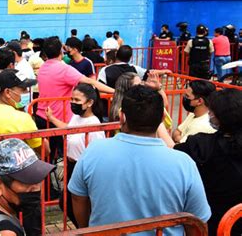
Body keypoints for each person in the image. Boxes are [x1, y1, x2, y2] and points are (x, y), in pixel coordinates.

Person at [68, 85, 211, 234]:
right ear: (162, 118)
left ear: (122, 117)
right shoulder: (183, 163)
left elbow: (78, 198)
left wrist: (89, 230)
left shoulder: (93, 151)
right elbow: (197, 222)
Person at [174, 89, 242, 236]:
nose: (209, 114)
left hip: (211, 222)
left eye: (212, 112)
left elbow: (174, 154)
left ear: (220, 117)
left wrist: (157, 125)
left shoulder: (202, 145)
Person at [36, 37, 113, 160]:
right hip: (56, 118)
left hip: (42, 115)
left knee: (47, 157)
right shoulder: (64, 69)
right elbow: (90, 81)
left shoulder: (43, 67)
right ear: (61, 51)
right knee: (61, 156)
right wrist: (115, 91)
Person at [45, 83, 105, 227]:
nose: (73, 103)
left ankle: (85, 229)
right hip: (71, 166)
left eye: (77, 100)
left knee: (75, 204)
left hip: (83, 169)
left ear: (90, 103)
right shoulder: (77, 117)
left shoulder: (94, 125)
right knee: (67, 203)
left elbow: (98, 153)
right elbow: (69, 129)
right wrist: (52, 118)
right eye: (72, 99)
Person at [109, 72, 175, 147]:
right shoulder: (127, 110)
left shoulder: (147, 106)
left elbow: (164, 106)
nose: (142, 87)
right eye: (137, 86)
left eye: (142, 84)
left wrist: (158, 88)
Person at [98, 45, 170, 89]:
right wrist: (164, 71)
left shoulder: (105, 70)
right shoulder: (135, 68)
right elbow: (150, 72)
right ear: (130, 57)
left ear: (116, 55)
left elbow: (99, 87)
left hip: (111, 106)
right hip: (131, 106)